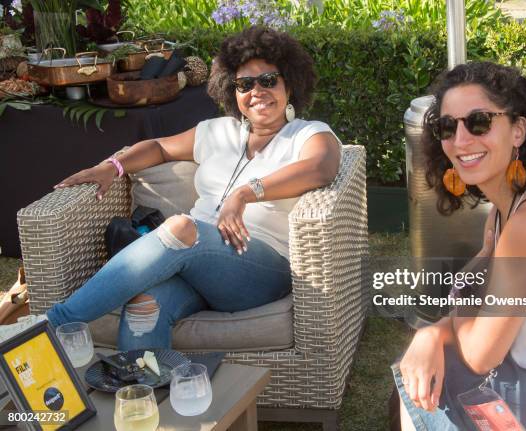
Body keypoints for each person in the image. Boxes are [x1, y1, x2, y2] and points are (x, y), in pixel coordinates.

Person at [13, 26, 341, 351]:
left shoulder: (306, 133)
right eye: (245, 84)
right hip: (195, 265)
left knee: (183, 226)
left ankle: (50, 324)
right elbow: (158, 147)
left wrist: (245, 192)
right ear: (233, 90)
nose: (257, 91)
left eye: (268, 80)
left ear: (289, 84)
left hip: (258, 268)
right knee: (144, 306)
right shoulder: (218, 132)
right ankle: (144, 395)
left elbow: (321, 167)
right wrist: (112, 167)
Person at [396, 62, 526, 431]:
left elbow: (480, 355)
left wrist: (433, 331)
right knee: (421, 376)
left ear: (518, 130)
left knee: (422, 383)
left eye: (478, 122)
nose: (461, 140)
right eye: (448, 127)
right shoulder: (508, 209)